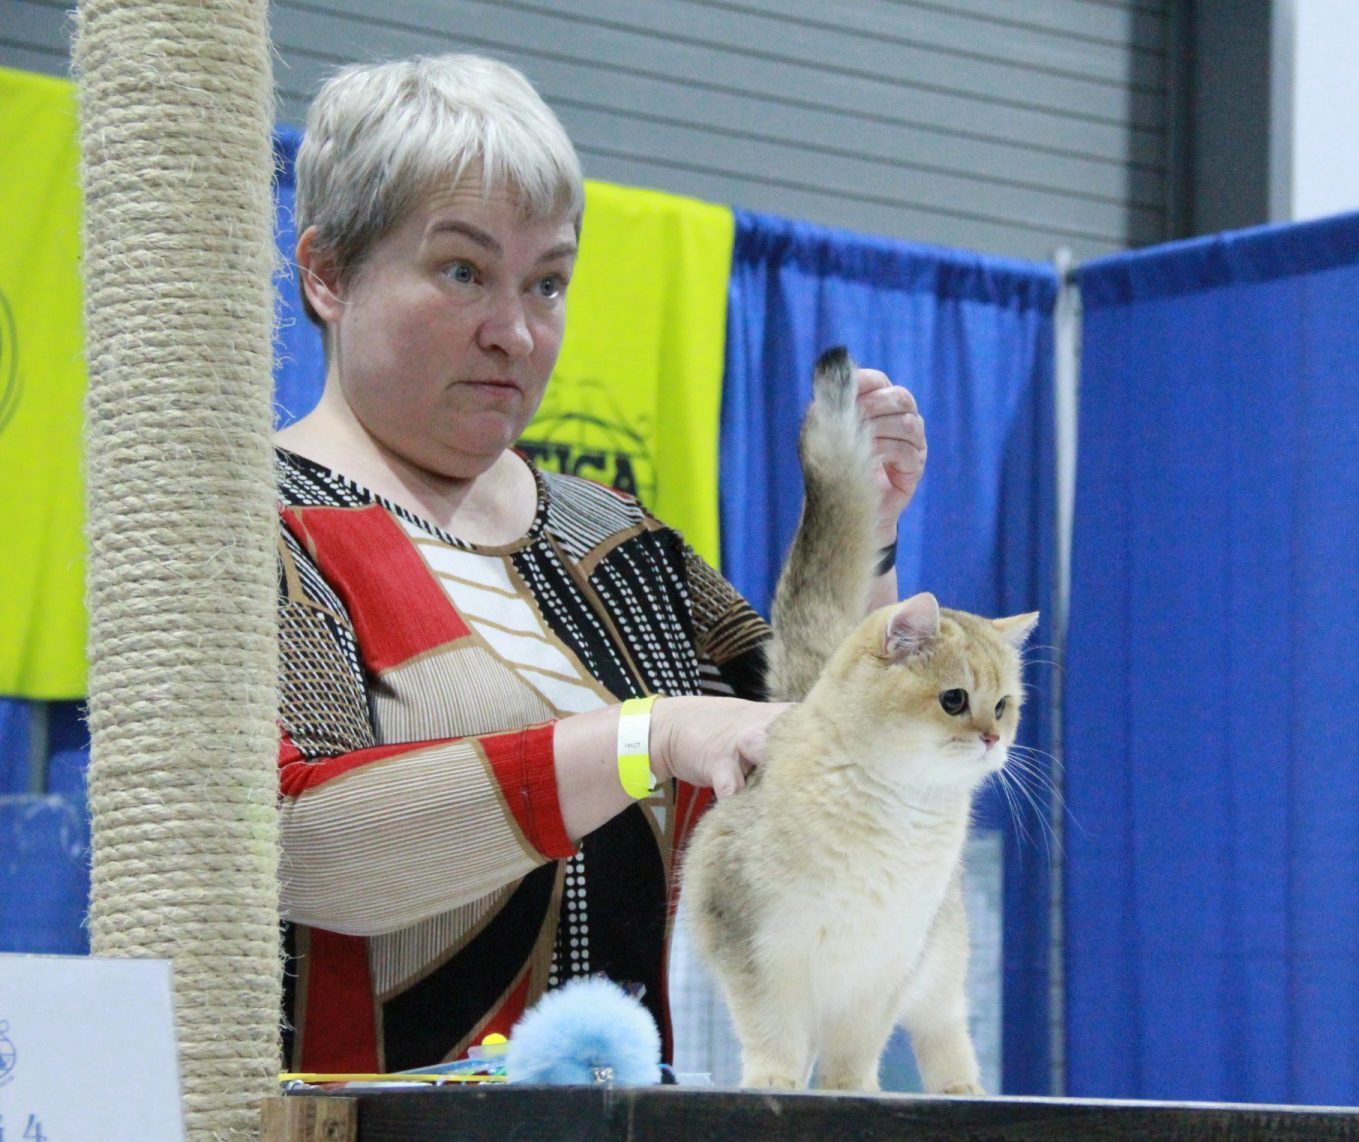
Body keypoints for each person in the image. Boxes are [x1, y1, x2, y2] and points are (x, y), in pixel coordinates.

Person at [274, 53, 926, 1076]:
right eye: (462, 272)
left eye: (548, 282)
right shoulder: (262, 530)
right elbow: (299, 849)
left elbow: (835, 769)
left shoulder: (609, 535)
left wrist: (867, 531)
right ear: (326, 272)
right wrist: (644, 737)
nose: (516, 332)